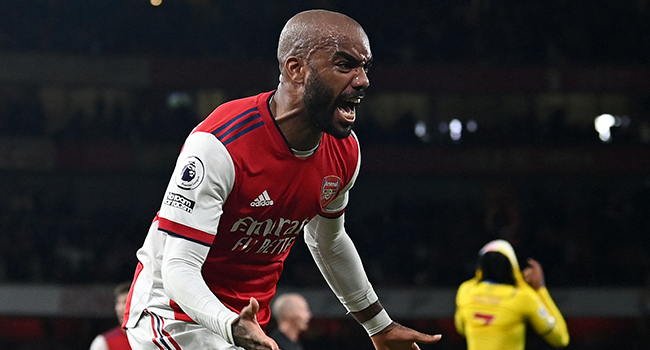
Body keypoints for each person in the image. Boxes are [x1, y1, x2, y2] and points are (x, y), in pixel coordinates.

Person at [123, 8, 441, 350]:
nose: (362, 80)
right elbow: (178, 267)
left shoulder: (344, 151)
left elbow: (328, 243)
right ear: (296, 69)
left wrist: (379, 326)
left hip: (246, 328)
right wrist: (231, 326)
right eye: (345, 65)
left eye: (365, 67)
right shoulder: (220, 144)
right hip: (172, 319)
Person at [454, 239, 570, 350]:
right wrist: (540, 289)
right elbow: (561, 339)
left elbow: (461, 328)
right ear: (513, 268)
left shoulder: (466, 291)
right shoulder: (522, 297)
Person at [90, 282, 133, 350]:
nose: (119, 308)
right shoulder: (103, 343)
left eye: (126, 302)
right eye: (118, 303)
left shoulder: (151, 338)